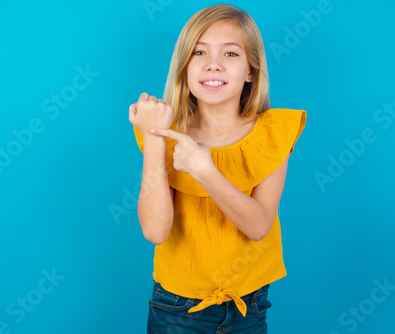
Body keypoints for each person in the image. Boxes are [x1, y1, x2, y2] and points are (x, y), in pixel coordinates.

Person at [129, 4, 306, 333]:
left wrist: (204, 170)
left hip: (249, 307)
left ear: (251, 70)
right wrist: (153, 138)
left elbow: (258, 226)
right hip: (176, 308)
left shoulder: (272, 133)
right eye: (199, 52)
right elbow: (155, 232)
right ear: (184, 66)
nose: (213, 65)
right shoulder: (165, 136)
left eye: (230, 54)